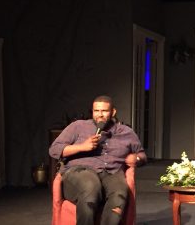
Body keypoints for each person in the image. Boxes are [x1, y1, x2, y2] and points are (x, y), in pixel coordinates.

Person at [49, 95, 147, 225]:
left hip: (112, 172)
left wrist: (137, 158)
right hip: (79, 172)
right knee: (90, 185)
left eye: (104, 111)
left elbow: (143, 156)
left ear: (113, 112)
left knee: (119, 193)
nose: (100, 115)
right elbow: (54, 149)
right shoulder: (78, 126)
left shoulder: (126, 132)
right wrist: (82, 147)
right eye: (96, 111)